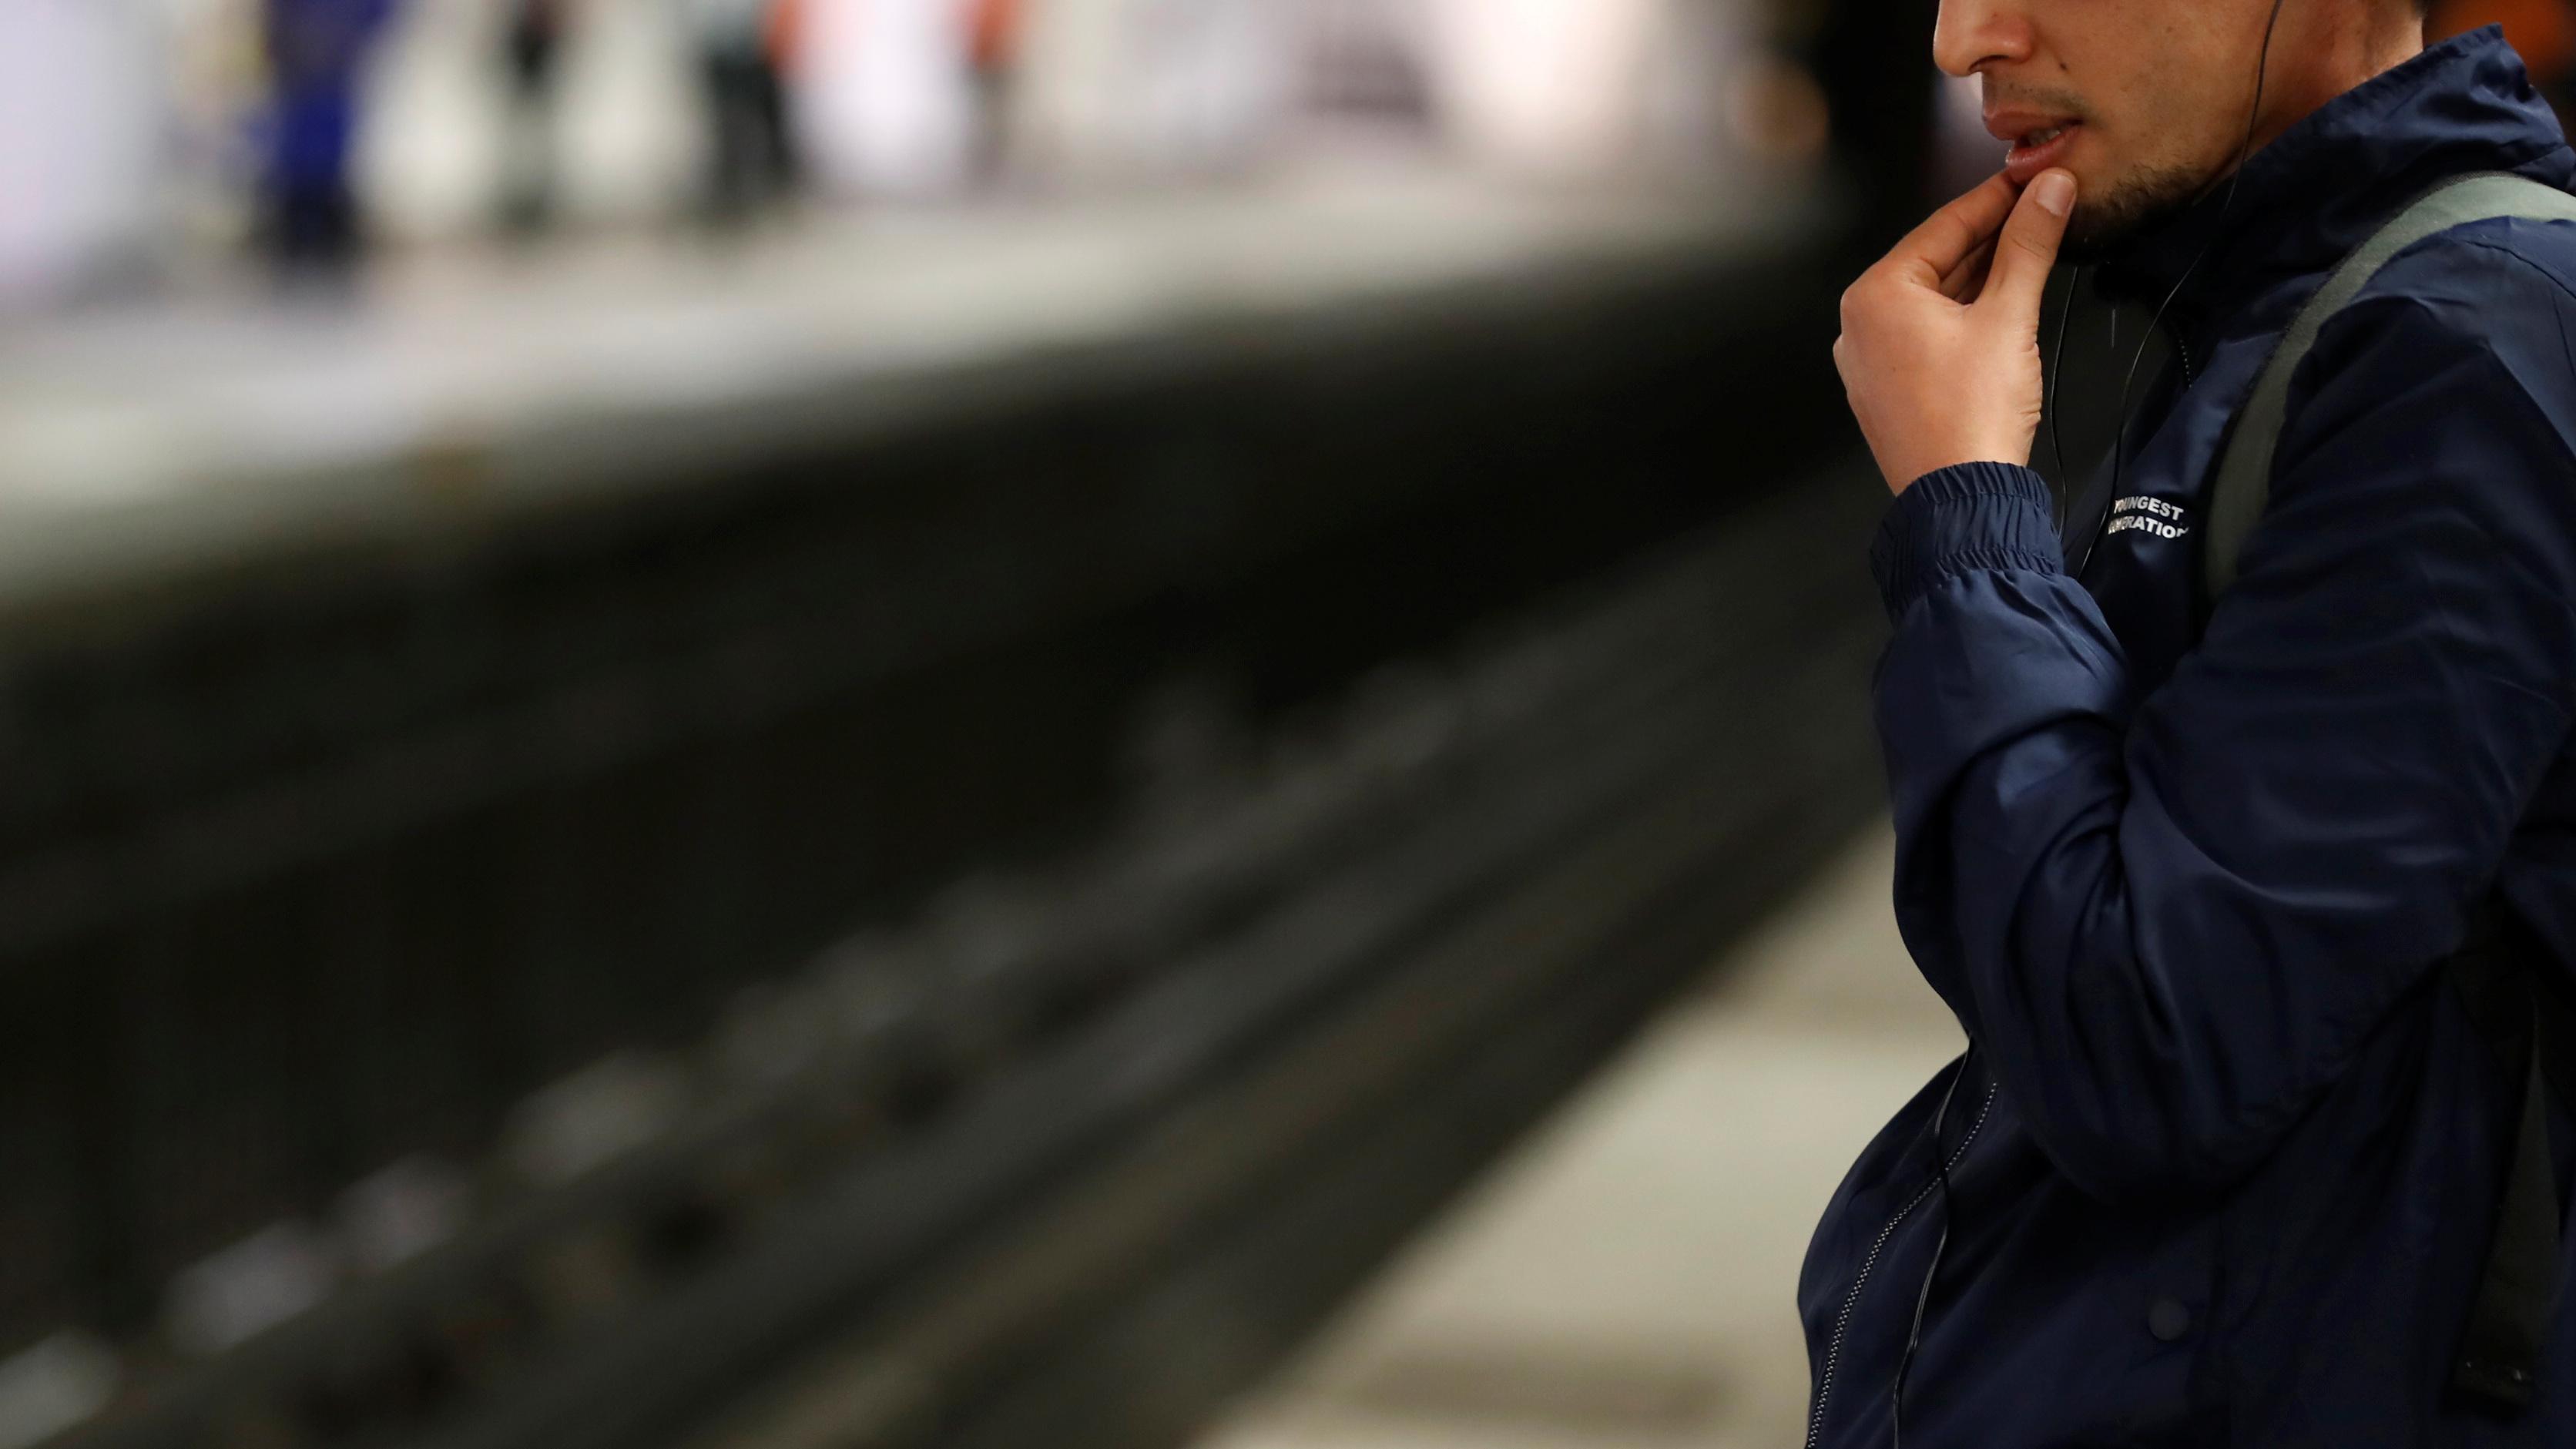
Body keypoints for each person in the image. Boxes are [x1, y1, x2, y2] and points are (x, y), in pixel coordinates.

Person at [1817, 5, 2576, 1446]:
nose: (1958, 37)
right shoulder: (2288, 298)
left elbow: (2144, 1046)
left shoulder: (2460, 346)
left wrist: (1964, 517)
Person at [262, 0, 399, 269]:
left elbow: (379, 13)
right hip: (301, 73)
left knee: (330, 135)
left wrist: (350, 34)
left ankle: (325, 221)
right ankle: (301, 221)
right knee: (302, 139)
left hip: (336, 68)